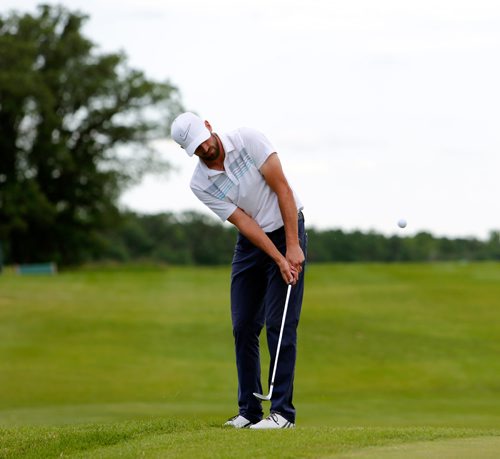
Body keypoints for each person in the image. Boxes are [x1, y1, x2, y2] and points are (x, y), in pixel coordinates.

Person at [170, 112, 306, 429]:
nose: (204, 150)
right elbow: (243, 222)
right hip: (251, 242)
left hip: (287, 228)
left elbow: (283, 189)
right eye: (195, 149)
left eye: (203, 142)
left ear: (208, 126)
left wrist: (292, 247)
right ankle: (249, 411)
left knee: (279, 322)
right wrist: (276, 258)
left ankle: (283, 413)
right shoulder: (200, 183)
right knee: (243, 325)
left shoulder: (248, 140)